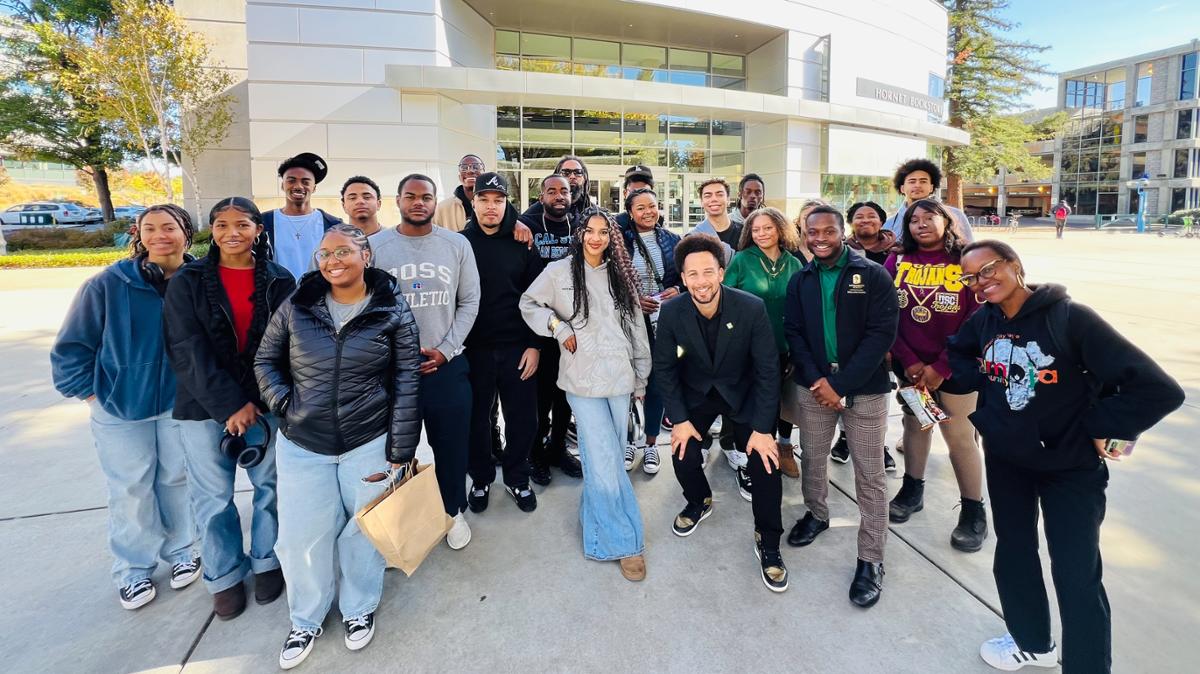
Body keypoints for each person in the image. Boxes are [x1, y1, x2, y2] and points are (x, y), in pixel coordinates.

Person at [947, 240, 1183, 673]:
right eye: (972, 277)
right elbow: (960, 354)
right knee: (1014, 554)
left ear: (1015, 266)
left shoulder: (1070, 318)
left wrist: (1100, 428)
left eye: (990, 269)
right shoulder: (984, 320)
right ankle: (1032, 642)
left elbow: (1159, 389)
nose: (982, 282)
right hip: (1008, 462)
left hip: (1069, 469)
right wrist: (969, 386)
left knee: (1076, 573)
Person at [254, 224, 421, 669]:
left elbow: (406, 381)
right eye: (324, 254)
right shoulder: (297, 305)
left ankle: (358, 607)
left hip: (367, 439)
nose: (332, 261)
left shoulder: (393, 310)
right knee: (299, 536)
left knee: (363, 530)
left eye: (343, 251)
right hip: (303, 442)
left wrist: (401, 449)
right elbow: (266, 359)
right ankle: (306, 617)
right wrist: (285, 404)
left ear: (366, 256)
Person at [51, 204, 200, 610]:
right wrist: (90, 392)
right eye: (150, 228)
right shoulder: (106, 284)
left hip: (178, 404)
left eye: (169, 227)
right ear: (139, 235)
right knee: (131, 488)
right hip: (118, 407)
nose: (159, 236)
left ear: (186, 232)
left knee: (175, 479)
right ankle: (133, 570)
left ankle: (183, 550)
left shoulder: (198, 280)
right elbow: (72, 347)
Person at [163, 198, 294, 620]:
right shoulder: (189, 280)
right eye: (221, 224)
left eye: (242, 224)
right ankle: (224, 577)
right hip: (204, 406)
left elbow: (286, 346)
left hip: (264, 404)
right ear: (211, 230)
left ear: (258, 229)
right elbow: (186, 348)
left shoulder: (278, 279)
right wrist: (229, 405)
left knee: (270, 488)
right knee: (213, 498)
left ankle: (267, 561)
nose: (231, 232)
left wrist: (257, 400)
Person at [520, 207, 652, 581]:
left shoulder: (620, 275)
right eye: (589, 231)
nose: (596, 238)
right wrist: (558, 328)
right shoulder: (558, 272)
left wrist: (641, 377)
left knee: (604, 460)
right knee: (605, 459)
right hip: (582, 380)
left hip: (620, 378)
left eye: (604, 232)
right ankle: (623, 542)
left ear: (612, 237)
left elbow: (636, 329)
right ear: (579, 234)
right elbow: (528, 303)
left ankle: (596, 524)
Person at [654, 234, 788, 593]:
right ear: (683, 278)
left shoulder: (751, 307)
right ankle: (699, 500)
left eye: (708, 272)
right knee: (682, 453)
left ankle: (768, 539)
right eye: (692, 274)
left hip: (742, 394)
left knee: (764, 461)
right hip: (698, 395)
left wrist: (763, 429)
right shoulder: (671, 311)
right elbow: (664, 369)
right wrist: (679, 421)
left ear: (721, 273)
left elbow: (767, 370)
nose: (701, 281)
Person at [783, 205, 898, 608]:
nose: (819, 238)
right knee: (813, 457)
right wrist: (819, 381)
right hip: (814, 386)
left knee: (870, 475)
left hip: (863, 389)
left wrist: (840, 384)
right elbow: (794, 332)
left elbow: (881, 335)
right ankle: (816, 513)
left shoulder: (873, 275)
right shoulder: (801, 279)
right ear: (803, 233)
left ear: (841, 232)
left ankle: (871, 557)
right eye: (811, 232)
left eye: (828, 231)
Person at [369, 174, 480, 549]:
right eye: (411, 196)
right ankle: (400, 520)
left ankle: (452, 511)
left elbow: (470, 301)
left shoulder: (456, 244)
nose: (419, 202)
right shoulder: (374, 247)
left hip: (446, 366)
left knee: (451, 447)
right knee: (395, 453)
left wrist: (446, 349)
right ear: (397, 200)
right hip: (393, 373)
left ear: (436, 201)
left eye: (426, 196)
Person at [884, 199, 988, 552]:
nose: (921, 224)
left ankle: (974, 510)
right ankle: (913, 488)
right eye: (914, 219)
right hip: (911, 368)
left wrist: (942, 366)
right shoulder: (896, 260)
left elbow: (977, 318)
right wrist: (909, 361)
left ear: (947, 221)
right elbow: (885, 315)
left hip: (956, 367)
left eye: (930, 218)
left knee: (959, 435)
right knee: (916, 425)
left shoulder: (965, 261)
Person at [461, 173, 544, 514]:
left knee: (523, 417)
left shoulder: (523, 241)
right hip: (474, 349)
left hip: (517, 346)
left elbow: (538, 297)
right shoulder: (459, 243)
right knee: (476, 419)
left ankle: (517, 477)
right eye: (484, 199)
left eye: (498, 200)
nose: (491, 207)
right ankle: (481, 478)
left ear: (506, 203)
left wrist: (535, 344)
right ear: (474, 202)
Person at [724, 207, 806, 482]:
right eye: (755, 229)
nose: (761, 234)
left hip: (784, 347)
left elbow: (801, 310)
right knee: (751, 405)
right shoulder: (742, 260)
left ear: (780, 229)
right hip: (748, 349)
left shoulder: (794, 263)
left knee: (782, 403)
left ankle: (780, 449)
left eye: (767, 228)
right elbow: (727, 302)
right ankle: (747, 459)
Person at [519, 174, 584, 484]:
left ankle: (558, 449)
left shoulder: (580, 230)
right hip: (541, 329)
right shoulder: (526, 227)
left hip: (574, 330)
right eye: (552, 191)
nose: (559, 196)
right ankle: (535, 453)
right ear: (541, 196)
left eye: (565, 191)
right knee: (538, 400)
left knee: (564, 399)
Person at [620, 187, 681, 474]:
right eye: (641, 207)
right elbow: (610, 279)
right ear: (630, 212)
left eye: (652, 206)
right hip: (629, 321)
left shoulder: (671, 240)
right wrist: (633, 299)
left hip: (662, 320)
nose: (648, 212)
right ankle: (630, 439)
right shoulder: (619, 239)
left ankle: (652, 444)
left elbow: (682, 275)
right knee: (629, 382)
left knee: (657, 381)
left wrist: (676, 290)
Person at [261, 152, 342, 280]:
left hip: (320, 295)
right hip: (277, 297)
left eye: (305, 182)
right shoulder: (263, 222)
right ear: (283, 185)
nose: (298, 186)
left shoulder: (333, 225)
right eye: (291, 180)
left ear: (314, 188)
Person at [881, 158, 974, 243]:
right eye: (912, 181)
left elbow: (968, 249)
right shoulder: (889, 225)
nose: (917, 185)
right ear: (902, 188)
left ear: (931, 187)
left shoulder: (955, 215)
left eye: (923, 181)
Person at [690, 177, 740, 260]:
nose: (714, 199)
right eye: (708, 196)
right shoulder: (693, 237)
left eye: (720, 194)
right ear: (701, 202)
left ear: (728, 200)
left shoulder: (744, 233)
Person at [433, 153, 483, 232]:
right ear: (459, 176)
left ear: (484, 172)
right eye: (464, 168)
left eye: (476, 167)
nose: (470, 171)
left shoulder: (496, 206)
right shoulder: (442, 208)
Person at [614, 164, 656, 233]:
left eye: (645, 191)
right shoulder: (614, 225)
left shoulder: (659, 222)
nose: (640, 197)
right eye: (634, 192)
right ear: (625, 194)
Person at [555, 155, 595, 223]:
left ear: (584, 179)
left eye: (578, 172)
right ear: (556, 177)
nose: (572, 176)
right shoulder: (542, 208)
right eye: (566, 172)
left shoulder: (593, 212)